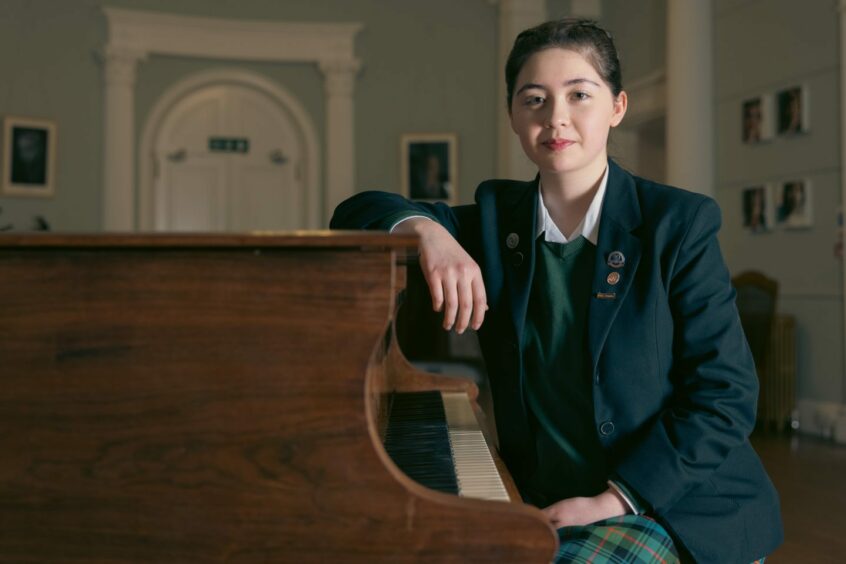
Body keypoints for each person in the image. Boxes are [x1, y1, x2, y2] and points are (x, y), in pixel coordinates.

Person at [331, 19, 782, 563]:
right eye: (534, 100)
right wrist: (426, 231)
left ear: (616, 107)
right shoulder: (497, 219)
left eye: (579, 95)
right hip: (551, 498)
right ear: (514, 117)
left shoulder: (677, 224)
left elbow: (725, 398)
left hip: (674, 505)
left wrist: (615, 498)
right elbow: (354, 211)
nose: (555, 118)